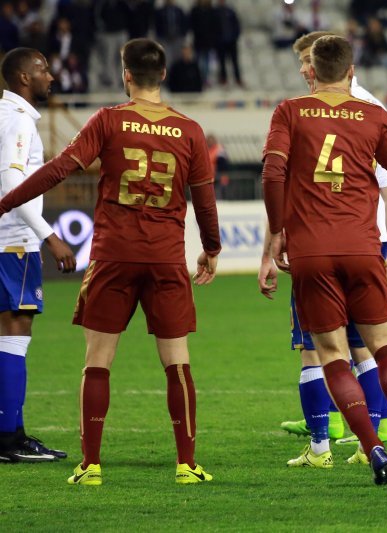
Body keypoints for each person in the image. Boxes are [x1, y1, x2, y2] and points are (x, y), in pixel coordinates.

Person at [0, 38, 222, 484]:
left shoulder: (108, 121)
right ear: (162, 76)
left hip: (113, 255)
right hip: (164, 257)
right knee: (177, 362)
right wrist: (211, 248)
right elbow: (205, 200)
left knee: (98, 361)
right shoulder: (190, 130)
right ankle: (186, 464)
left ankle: (92, 465)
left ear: (126, 75)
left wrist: (7, 202)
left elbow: (59, 168)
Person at [259, 35, 387, 486]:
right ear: (351, 69)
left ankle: (371, 449)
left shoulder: (290, 111)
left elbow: (272, 173)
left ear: (313, 70)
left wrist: (277, 235)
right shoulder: (376, 116)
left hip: (311, 253)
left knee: (332, 354)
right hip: (364, 248)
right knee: (385, 347)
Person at [0, 47, 76, 463]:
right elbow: (13, 188)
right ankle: (9, 439)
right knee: (15, 332)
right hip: (13, 243)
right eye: (43, 69)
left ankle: (12, 432)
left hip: (8, 241)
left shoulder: (10, 117)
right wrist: (51, 237)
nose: (51, 75)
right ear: (24, 78)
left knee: (9, 334)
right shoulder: (16, 123)